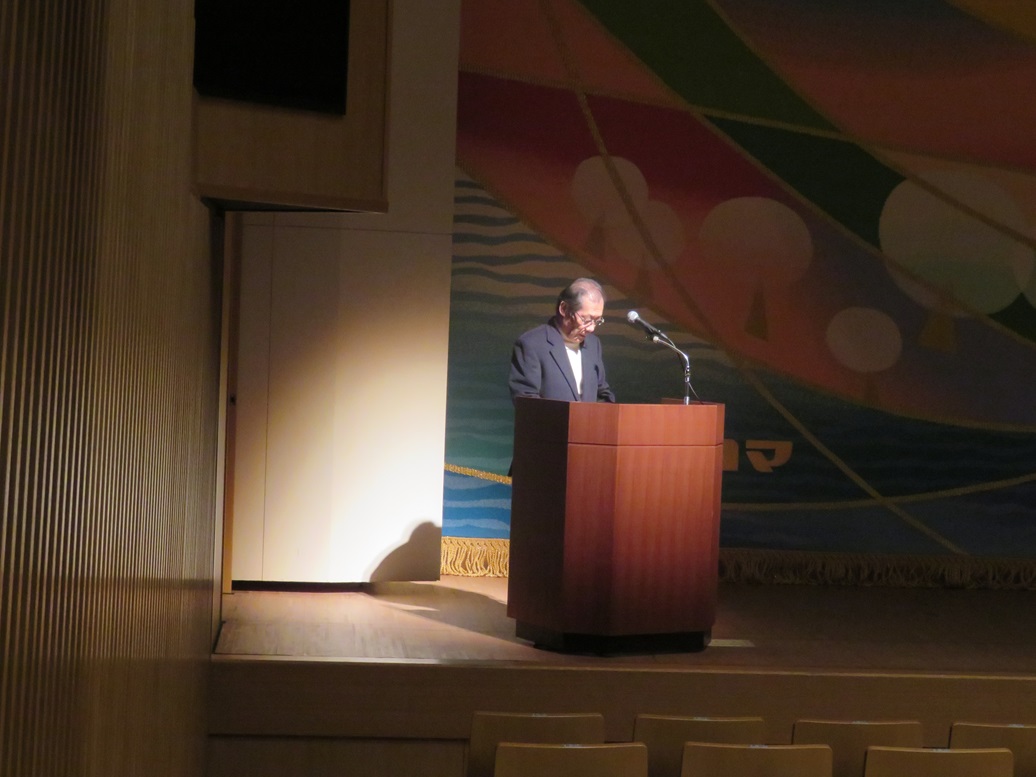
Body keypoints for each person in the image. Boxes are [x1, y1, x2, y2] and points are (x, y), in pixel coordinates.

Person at [508, 278, 616, 404]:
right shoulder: (532, 344)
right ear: (564, 309)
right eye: (586, 320)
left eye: (597, 320)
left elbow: (602, 392)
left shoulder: (593, 344)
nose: (591, 328)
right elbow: (526, 400)